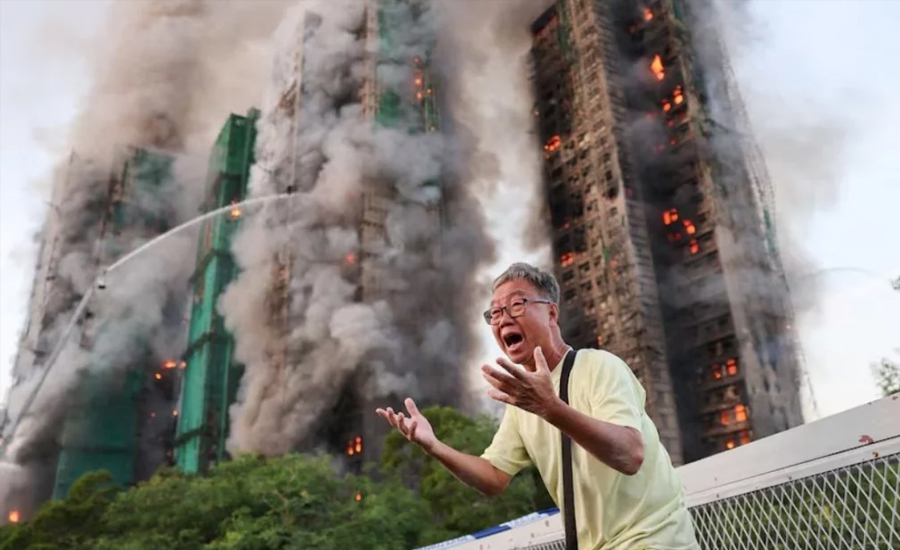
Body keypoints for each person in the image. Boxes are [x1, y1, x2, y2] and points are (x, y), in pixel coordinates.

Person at [376, 262, 699, 550]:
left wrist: (550, 408)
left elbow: (630, 455)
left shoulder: (599, 366)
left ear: (552, 313)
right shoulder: (523, 403)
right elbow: (493, 477)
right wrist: (434, 446)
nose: (504, 318)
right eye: (496, 312)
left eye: (517, 304)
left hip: (652, 540)